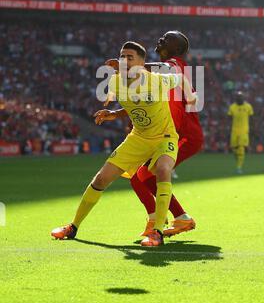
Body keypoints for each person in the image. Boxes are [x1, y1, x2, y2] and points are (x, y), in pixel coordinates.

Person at [51, 41, 197, 247]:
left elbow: (180, 78)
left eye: (130, 57)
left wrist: (191, 97)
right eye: (122, 57)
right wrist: (114, 113)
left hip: (164, 137)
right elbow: (135, 103)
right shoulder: (115, 83)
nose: (124, 60)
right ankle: (73, 226)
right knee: (101, 179)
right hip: (138, 138)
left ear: (141, 62)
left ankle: (157, 232)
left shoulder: (156, 81)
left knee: (163, 169)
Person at [97, 31, 203, 238]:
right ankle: (174, 219)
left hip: (182, 136)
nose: (161, 40)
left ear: (177, 49)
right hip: (172, 134)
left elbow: (162, 69)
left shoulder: (176, 64)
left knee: (142, 176)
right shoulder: (154, 79)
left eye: (167, 39)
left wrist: (126, 67)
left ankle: (162, 221)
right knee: (139, 178)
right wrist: (117, 113)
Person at [228, 91, 254, 174]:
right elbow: (229, 118)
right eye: (238, 97)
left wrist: (252, 128)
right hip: (234, 131)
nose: (239, 98)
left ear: (243, 98)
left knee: (241, 148)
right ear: (236, 98)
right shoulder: (232, 107)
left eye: (241, 97)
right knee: (234, 149)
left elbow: (252, 117)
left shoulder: (248, 107)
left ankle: (239, 167)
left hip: (244, 131)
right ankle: (238, 162)